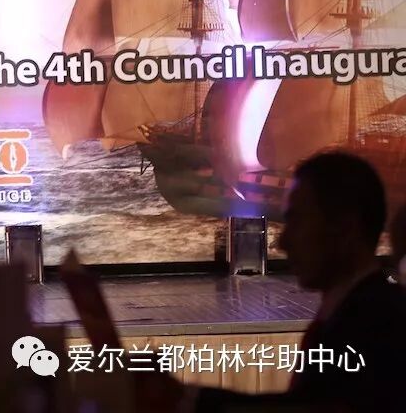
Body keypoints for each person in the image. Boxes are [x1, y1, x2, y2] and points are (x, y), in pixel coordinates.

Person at [137, 150, 406, 412]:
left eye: (297, 221)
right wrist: (185, 398)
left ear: (345, 228)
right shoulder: (360, 313)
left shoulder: (381, 325)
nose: (282, 242)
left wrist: (185, 399)